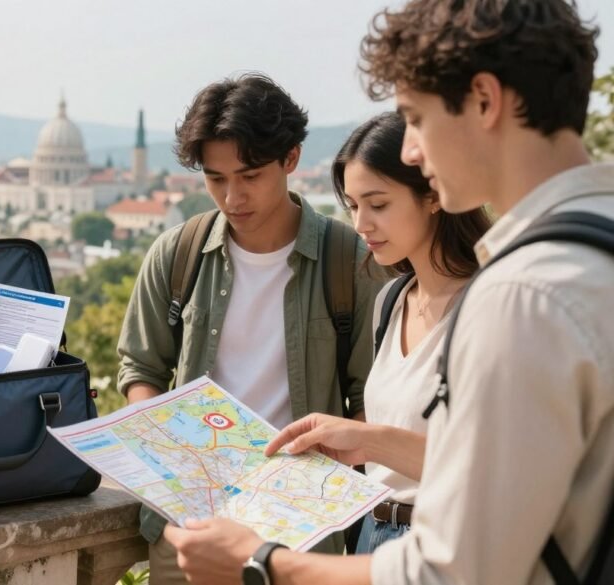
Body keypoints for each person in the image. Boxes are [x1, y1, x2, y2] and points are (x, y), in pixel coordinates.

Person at [164, 1, 614, 583]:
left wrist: (261, 562)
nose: (411, 152)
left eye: (417, 118)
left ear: (484, 100)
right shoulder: (591, 245)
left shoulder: (522, 294)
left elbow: (451, 573)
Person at [116, 72, 385, 583]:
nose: (232, 197)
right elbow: (140, 367)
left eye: (249, 175)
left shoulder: (348, 259)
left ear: (290, 159)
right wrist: (168, 454)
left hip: (303, 534)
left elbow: (370, 390)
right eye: (216, 179)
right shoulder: (178, 254)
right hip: (190, 530)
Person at [332, 111, 490, 553]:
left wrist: (367, 441)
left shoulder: (490, 305)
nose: (361, 223)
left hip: (448, 544)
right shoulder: (390, 302)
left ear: (434, 194)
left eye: (377, 204)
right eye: (353, 206)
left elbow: (495, 470)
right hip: (373, 536)